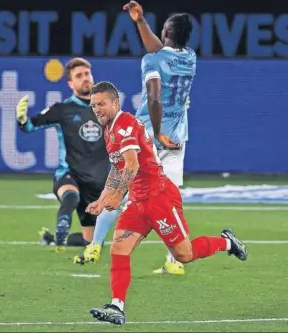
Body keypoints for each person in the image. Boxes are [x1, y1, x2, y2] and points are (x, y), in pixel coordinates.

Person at [86, 81, 248, 325]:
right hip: (138, 202)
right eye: (93, 105)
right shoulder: (109, 130)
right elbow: (117, 169)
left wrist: (117, 196)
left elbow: (132, 165)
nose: (96, 109)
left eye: (101, 104)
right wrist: (102, 199)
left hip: (159, 198)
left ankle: (228, 242)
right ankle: (116, 307)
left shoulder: (125, 124)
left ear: (115, 103)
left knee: (184, 255)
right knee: (118, 249)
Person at [15, 57, 119, 254]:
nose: (85, 78)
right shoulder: (62, 110)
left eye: (87, 74)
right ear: (71, 84)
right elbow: (30, 126)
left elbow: (133, 131)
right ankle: (61, 229)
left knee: (91, 241)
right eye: (79, 76)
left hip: (96, 184)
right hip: (69, 174)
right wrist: (21, 120)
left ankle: (53, 240)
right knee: (70, 197)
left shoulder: (107, 109)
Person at [123, 0, 195, 275]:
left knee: (134, 192)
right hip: (177, 136)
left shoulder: (151, 61)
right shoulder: (190, 57)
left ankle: (119, 248)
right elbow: (159, 49)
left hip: (150, 136)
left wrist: (156, 132)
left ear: (166, 32)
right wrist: (140, 22)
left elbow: (154, 97)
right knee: (172, 195)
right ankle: (175, 259)